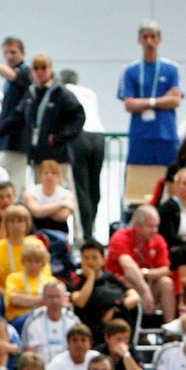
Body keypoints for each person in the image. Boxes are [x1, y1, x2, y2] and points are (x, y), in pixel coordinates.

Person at [118, 20, 183, 165]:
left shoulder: (172, 69)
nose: (149, 41)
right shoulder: (130, 71)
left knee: (170, 178)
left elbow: (176, 100)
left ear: (159, 39)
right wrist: (160, 100)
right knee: (137, 179)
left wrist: (142, 102)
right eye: (145, 37)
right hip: (140, 136)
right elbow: (129, 104)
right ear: (139, 40)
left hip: (166, 135)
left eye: (153, 36)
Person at [58, 68, 108, 242]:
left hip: (80, 136)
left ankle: (84, 235)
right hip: (99, 137)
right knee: (95, 188)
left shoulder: (63, 92)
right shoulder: (90, 93)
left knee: (80, 189)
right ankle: (91, 228)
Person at [0, 37, 35, 184]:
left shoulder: (25, 72)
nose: (9, 56)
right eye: (6, 53)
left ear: (22, 53)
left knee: (12, 181)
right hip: (6, 139)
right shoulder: (9, 83)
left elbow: (13, 75)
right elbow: (5, 111)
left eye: (13, 52)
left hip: (16, 139)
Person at [21, 55, 85, 183]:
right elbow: (18, 115)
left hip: (57, 156)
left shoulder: (61, 93)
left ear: (50, 69)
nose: (40, 72)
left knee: (60, 194)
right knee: (40, 193)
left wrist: (59, 137)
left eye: (43, 68)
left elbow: (79, 117)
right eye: (36, 68)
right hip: (37, 155)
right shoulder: (31, 93)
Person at [106, 205, 175, 319]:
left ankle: (170, 328)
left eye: (156, 226)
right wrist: (145, 289)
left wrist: (145, 273)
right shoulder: (121, 237)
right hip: (122, 289)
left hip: (147, 286)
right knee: (131, 279)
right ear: (137, 225)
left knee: (166, 282)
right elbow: (128, 267)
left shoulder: (158, 240)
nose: (154, 230)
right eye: (150, 226)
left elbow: (166, 269)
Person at [69, 240, 138, 345]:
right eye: (86, 258)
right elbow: (80, 302)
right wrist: (91, 277)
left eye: (94, 257)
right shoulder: (77, 281)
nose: (90, 262)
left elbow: (134, 297)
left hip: (117, 323)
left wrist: (116, 308)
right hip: (93, 333)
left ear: (103, 260)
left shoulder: (111, 278)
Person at [0, 205, 37, 298]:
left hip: (34, 294)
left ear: (27, 223)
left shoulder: (37, 245)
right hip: (6, 295)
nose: (16, 225)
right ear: (5, 224)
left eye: (20, 221)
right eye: (12, 221)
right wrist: (10, 295)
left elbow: (45, 275)